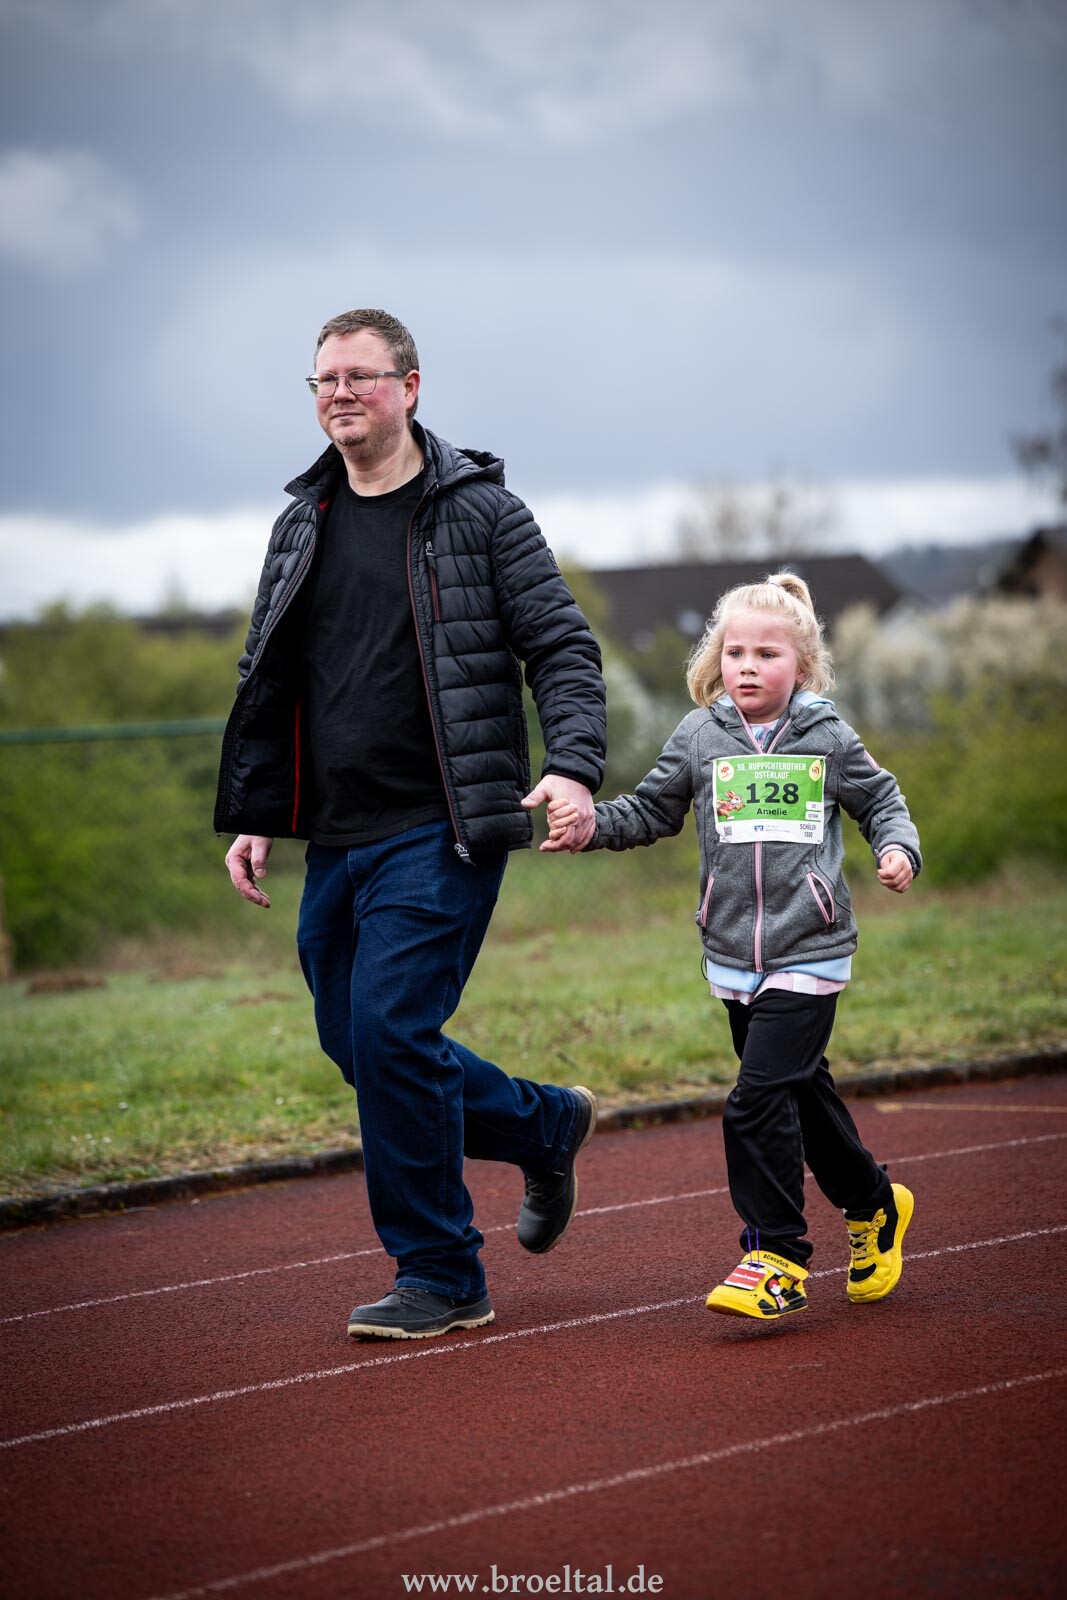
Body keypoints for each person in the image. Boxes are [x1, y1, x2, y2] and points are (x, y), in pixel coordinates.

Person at [216, 308, 606, 1341]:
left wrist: (571, 766)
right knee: (359, 1042)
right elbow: (269, 677)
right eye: (323, 379)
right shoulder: (301, 520)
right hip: (334, 833)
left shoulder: (481, 513)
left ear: (410, 387)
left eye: (360, 375)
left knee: (390, 1029)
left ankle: (440, 1271)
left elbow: (562, 648)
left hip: (443, 824)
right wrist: (256, 812)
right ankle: (543, 1124)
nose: (339, 393)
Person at [546, 572, 921, 1322]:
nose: (747, 667)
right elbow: (651, 810)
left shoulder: (826, 736)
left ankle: (777, 1255)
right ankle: (875, 1204)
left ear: (802, 666)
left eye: (767, 655)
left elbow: (880, 798)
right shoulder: (699, 736)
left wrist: (897, 847)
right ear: (716, 659)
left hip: (810, 949)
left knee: (754, 1102)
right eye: (735, 652)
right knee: (802, 1097)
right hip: (732, 956)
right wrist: (591, 825)